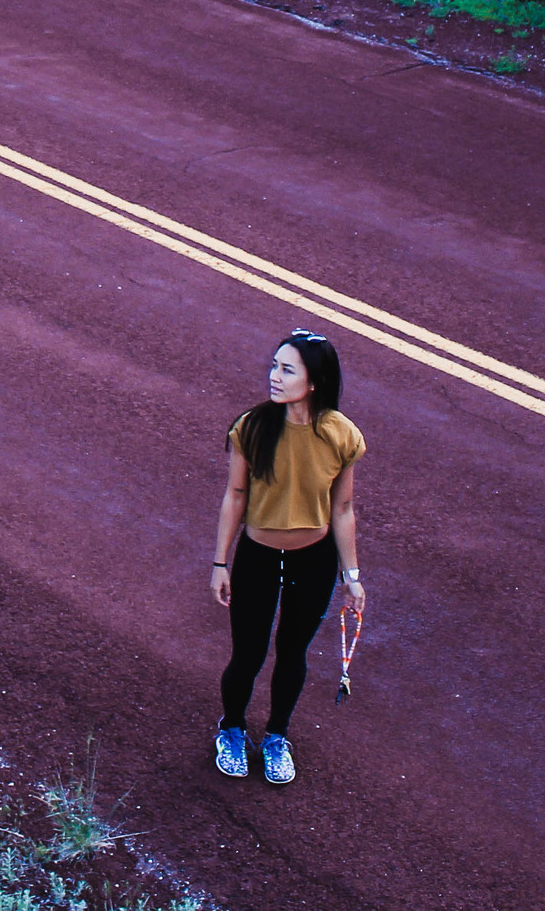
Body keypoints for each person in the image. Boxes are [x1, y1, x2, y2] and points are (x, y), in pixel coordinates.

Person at [209, 330, 365, 785]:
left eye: (286, 369)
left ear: (313, 381)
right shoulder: (252, 428)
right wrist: (220, 561)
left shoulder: (341, 435)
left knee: (292, 653)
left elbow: (343, 508)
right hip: (257, 557)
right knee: (249, 653)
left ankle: (277, 736)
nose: (273, 376)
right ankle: (233, 728)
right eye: (274, 366)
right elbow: (235, 495)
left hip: (313, 563)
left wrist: (352, 575)